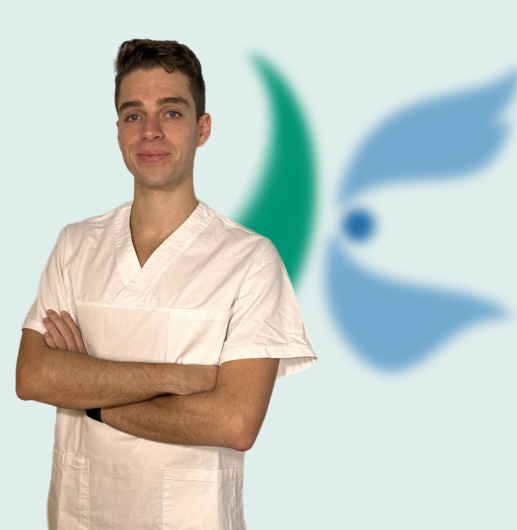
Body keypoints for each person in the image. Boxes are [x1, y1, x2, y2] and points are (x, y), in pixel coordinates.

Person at [15, 38, 316, 529]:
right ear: (118, 131)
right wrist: (179, 379)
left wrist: (89, 395)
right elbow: (32, 377)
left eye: (171, 113)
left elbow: (235, 423)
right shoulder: (76, 245)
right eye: (133, 115)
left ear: (203, 128)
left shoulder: (249, 260)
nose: (150, 131)